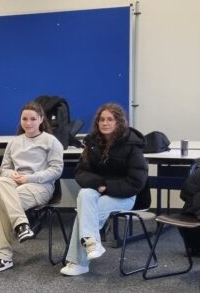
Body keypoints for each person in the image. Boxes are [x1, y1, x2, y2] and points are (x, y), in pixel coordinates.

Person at [60, 103, 148, 276]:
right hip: (99, 190)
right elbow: (81, 172)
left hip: (125, 195)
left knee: (86, 213)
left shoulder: (132, 145)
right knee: (84, 193)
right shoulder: (93, 142)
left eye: (110, 119)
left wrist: (105, 187)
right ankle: (92, 244)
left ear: (118, 122)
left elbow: (136, 182)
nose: (105, 123)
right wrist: (98, 183)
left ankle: (79, 262)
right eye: (102, 119)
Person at [0, 101, 65, 272]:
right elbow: (4, 169)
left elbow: (56, 170)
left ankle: (3, 256)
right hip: (16, 184)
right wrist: (11, 175)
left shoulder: (51, 141)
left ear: (41, 119)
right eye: (24, 119)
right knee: (0, 181)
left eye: (33, 119)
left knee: (4, 203)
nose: (28, 123)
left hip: (40, 187)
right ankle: (22, 225)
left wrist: (30, 178)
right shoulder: (14, 142)